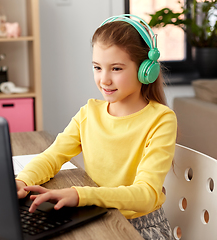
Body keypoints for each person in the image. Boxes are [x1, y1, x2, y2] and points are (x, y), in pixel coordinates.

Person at [15, 14, 177, 240]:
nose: (104, 80)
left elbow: (146, 194)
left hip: (139, 228)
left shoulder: (161, 120)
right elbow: (52, 156)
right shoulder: (89, 113)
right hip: (96, 215)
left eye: (116, 69)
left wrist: (78, 195)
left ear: (145, 70)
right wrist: (22, 181)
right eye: (97, 67)